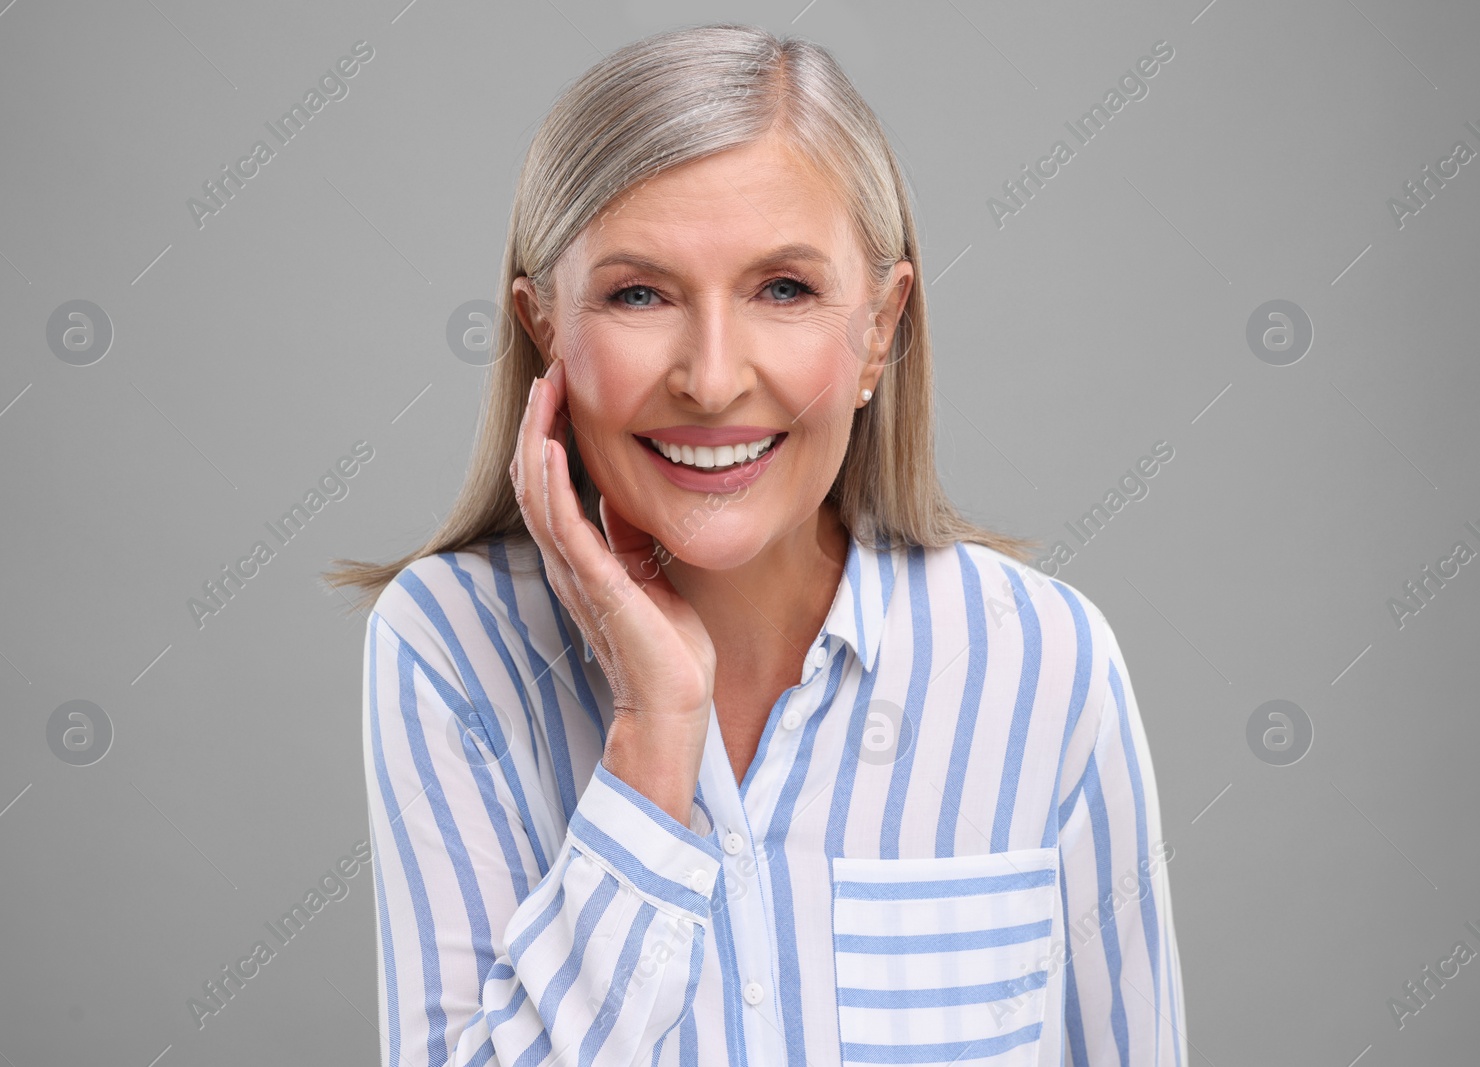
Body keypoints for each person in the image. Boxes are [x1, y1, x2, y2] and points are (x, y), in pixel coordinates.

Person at [326, 21, 1186, 1067]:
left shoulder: (1042, 658)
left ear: (879, 328)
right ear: (544, 324)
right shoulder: (448, 647)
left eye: (783, 289)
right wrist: (653, 732)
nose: (714, 376)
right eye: (639, 293)